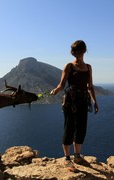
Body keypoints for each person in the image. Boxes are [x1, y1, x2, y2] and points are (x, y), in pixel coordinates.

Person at [50, 40, 99, 172]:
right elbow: (61, 84)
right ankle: (67, 158)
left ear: (84, 51)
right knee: (69, 127)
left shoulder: (88, 67)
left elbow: (90, 86)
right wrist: (55, 91)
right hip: (70, 101)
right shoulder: (69, 66)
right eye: (73, 51)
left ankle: (77, 156)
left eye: (77, 50)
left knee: (81, 128)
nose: (75, 53)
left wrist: (95, 101)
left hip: (83, 100)